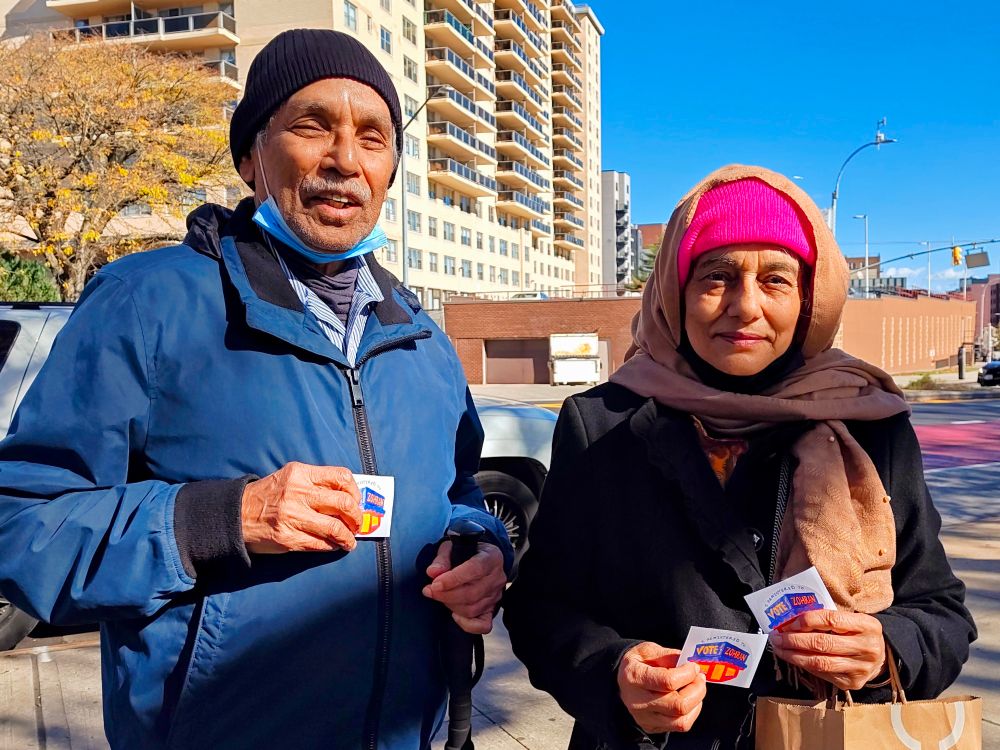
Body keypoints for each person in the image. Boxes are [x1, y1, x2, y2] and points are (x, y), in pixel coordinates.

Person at [0, 29, 511, 750]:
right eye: (311, 126)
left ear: (391, 169)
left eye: (372, 137)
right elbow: (22, 524)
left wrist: (480, 550)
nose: (344, 160)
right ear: (250, 158)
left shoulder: (422, 336)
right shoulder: (146, 302)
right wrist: (224, 518)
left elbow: (459, 494)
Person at [503, 165, 976, 749]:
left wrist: (886, 650)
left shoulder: (871, 426)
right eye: (717, 276)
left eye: (775, 279)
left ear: (808, 299)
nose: (745, 306)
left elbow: (941, 612)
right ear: (677, 292)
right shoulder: (603, 424)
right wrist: (615, 671)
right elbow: (541, 606)